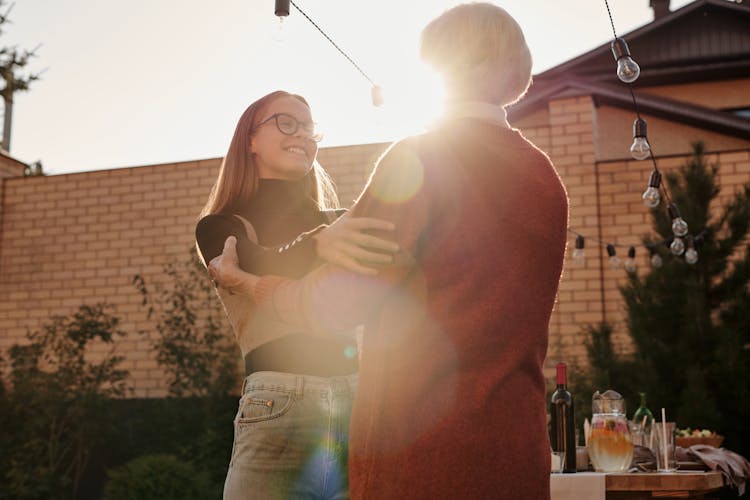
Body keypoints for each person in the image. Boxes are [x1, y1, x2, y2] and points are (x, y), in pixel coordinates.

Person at [209, 4, 569, 498]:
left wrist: (253, 285)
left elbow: (339, 303)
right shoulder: (545, 177)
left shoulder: (419, 159)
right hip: (517, 454)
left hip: (422, 453)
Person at [196, 90, 398, 500]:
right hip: (278, 400)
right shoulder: (219, 225)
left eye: (309, 127)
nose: (302, 134)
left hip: (355, 403)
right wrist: (322, 245)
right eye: (286, 122)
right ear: (249, 140)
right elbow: (259, 261)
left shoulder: (341, 220)